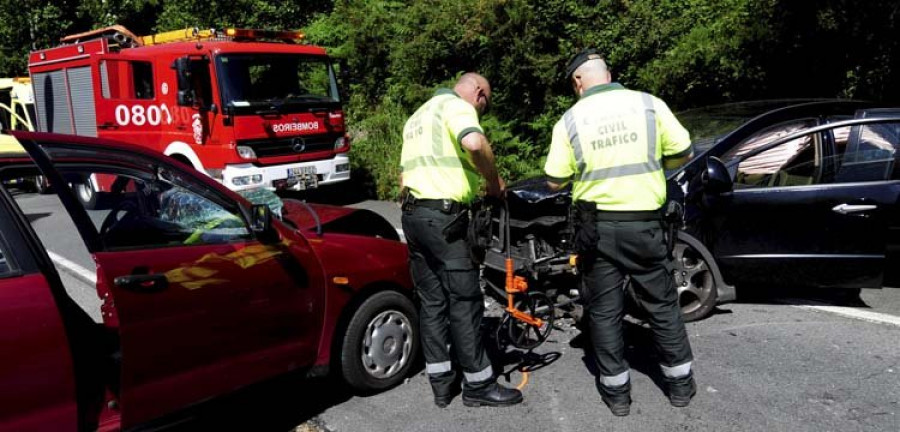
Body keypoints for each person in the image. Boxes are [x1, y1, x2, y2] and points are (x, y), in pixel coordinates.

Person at [543, 49, 696, 416]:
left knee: (604, 311)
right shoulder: (649, 105)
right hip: (645, 223)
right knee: (661, 305)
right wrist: (656, 165)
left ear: (578, 82)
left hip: (597, 229)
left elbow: (553, 181)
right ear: (608, 74)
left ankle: (617, 394)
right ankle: (680, 386)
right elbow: (684, 152)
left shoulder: (570, 119)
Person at [399, 73, 523, 408]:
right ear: (479, 93)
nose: (481, 111)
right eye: (484, 105)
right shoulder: (456, 107)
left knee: (432, 301)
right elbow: (473, 143)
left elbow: (402, 176)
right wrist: (493, 180)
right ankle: (478, 384)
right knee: (465, 301)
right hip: (445, 220)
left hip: (413, 215)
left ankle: (441, 384)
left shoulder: (419, 116)